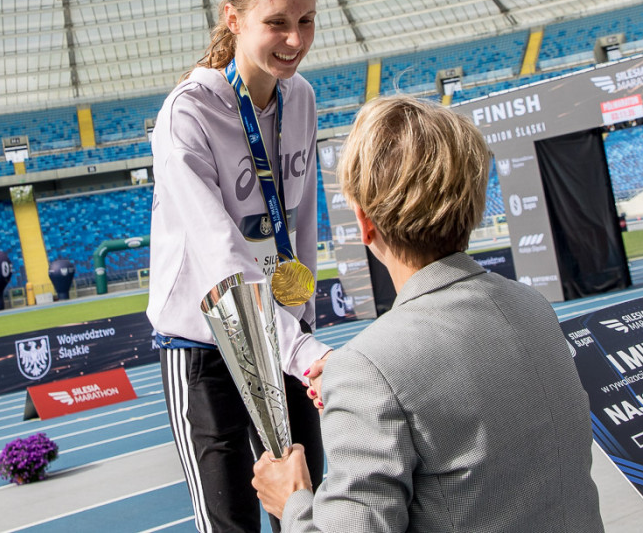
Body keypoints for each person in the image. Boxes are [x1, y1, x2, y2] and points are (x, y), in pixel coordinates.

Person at [252, 96, 604, 532]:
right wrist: (360, 391)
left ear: (365, 223)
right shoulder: (533, 308)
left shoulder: (368, 369)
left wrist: (291, 501)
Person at [147, 0, 330, 533]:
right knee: (231, 525)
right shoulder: (187, 114)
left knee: (306, 508)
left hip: (282, 331)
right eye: (276, 22)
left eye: (306, 20)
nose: (295, 40)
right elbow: (219, 255)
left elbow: (299, 218)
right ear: (233, 18)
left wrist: (300, 319)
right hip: (204, 346)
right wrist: (303, 352)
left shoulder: (301, 97)